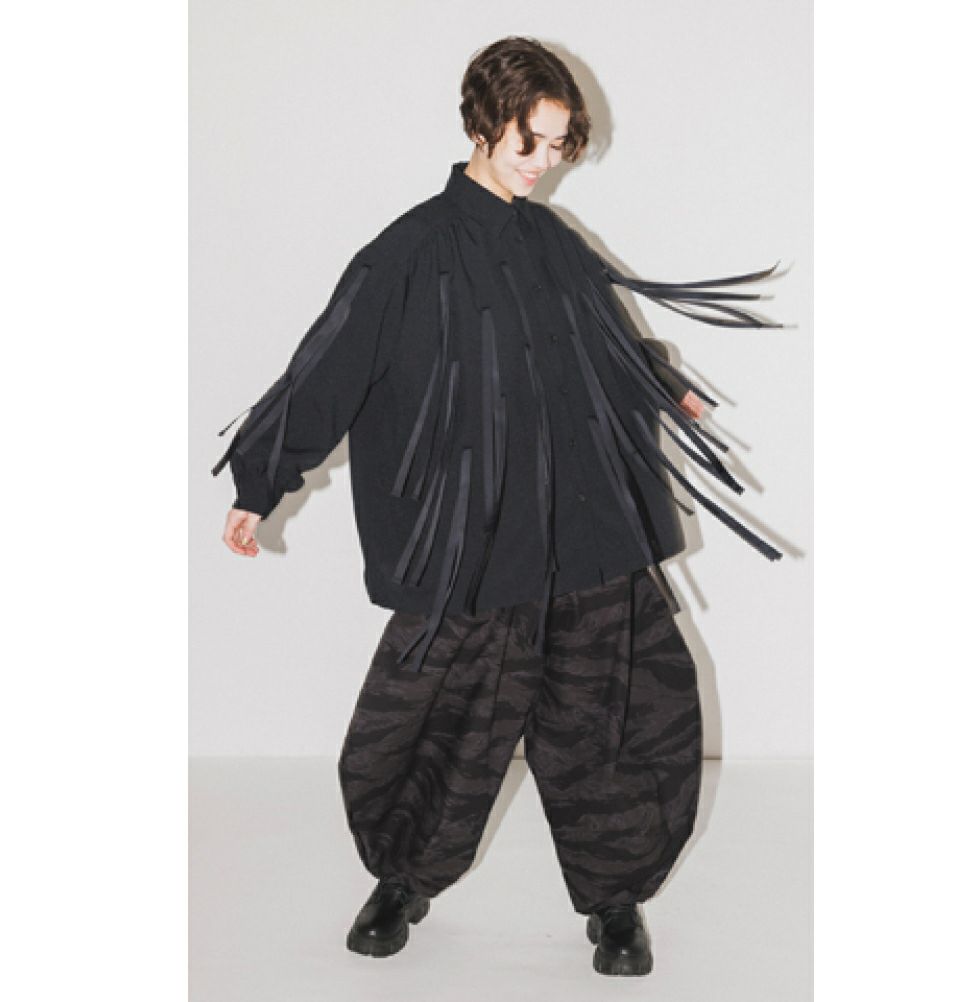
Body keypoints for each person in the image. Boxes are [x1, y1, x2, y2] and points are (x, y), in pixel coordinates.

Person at [213, 36, 784, 977]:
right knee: (435, 721)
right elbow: (327, 371)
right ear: (483, 124)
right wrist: (259, 483)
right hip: (473, 543)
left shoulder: (552, 241)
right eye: (530, 141)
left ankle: (614, 901)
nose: (543, 163)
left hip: (588, 528)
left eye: (558, 146)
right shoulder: (406, 254)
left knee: (611, 716)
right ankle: (401, 880)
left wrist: (660, 383)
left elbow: (603, 339)